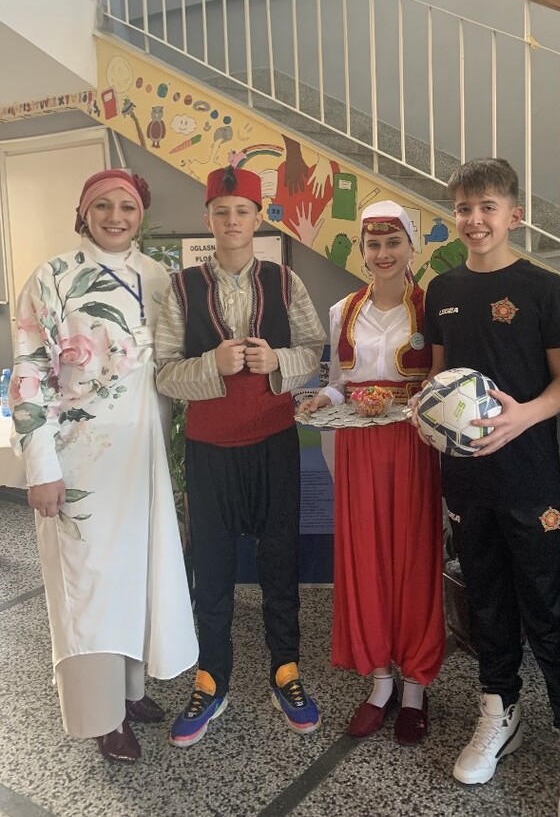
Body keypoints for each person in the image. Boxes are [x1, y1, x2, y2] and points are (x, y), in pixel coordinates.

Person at [419, 158, 560, 817]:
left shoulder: (542, 287)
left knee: (548, 604)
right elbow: (438, 379)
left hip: (529, 474)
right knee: (487, 600)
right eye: (464, 208)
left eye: (487, 207)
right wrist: (429, 414)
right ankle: (500, 709)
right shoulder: (441, 288)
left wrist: (523, 415)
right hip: (465, 478)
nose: (474, 220)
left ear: (514, 215)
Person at [10, 168, 198, 764]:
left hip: (145, 455)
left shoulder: (160, 276)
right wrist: (40, 465)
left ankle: (130, 689)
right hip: (79, 458)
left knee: (136, 571)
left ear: (141, 215)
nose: (116, 217)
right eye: (103, 206)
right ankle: (101, 716)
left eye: (128, 207)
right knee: (88, 582)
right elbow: (30, 374)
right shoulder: (52, 276)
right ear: (84, 212)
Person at [155, 165, 326, 747]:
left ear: (259, 218)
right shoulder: (181, 287)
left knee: (280, 558)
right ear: (208, 219)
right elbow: (164, 373)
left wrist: (278, 361)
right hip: (209, 448)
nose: (232, 221)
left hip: (274, 441)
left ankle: (286, 670)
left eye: (242, 212)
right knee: (213, 565)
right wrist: (213, 366)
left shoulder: (284, 281)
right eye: (222, 212)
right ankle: (212, 677)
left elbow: (313, 350)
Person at [299, 201, 444, 745]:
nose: (383, 254)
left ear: (411, 247)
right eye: (373, 244)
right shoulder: (343, 310)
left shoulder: (432, 309)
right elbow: (341, 382)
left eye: (393, 242)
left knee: (414, 557)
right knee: (364, 558)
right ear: (362, 250)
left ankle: (416, 687)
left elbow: (441, 381)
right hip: (358, 446)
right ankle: (381, 682)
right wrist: (326, 397)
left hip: (413, 445)